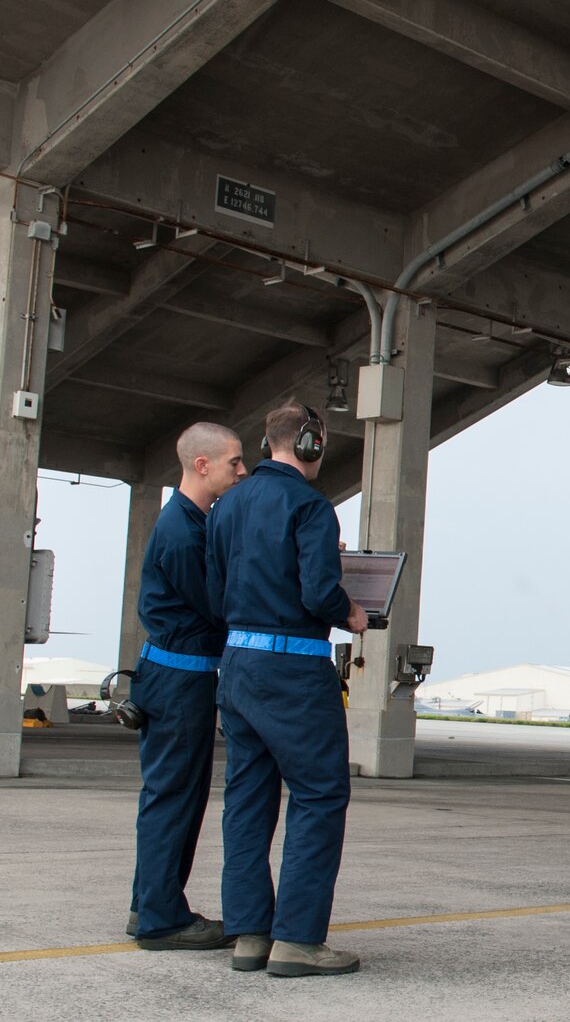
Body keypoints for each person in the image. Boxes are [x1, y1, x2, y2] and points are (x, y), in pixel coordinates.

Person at [207, 400, 368, 977]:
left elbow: (216, 586)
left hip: (239, 667)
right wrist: (349, 609)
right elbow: (319, 595)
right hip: (293, 671)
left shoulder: (228, 505)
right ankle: (298, 940)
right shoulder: (310, 506)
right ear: (311, 443)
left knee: (247, 801)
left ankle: (250, 935)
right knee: (319, 796)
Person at [127, 422, 247, 951]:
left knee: (174, 795)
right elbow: (219, 607)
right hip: (178, 679)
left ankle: (149, 905)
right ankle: (160, 920)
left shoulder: (191, 523)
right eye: (234, 463)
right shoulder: (182, 532)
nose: (242, 472)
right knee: (174, 797)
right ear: (203, 465)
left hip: (176, 676)